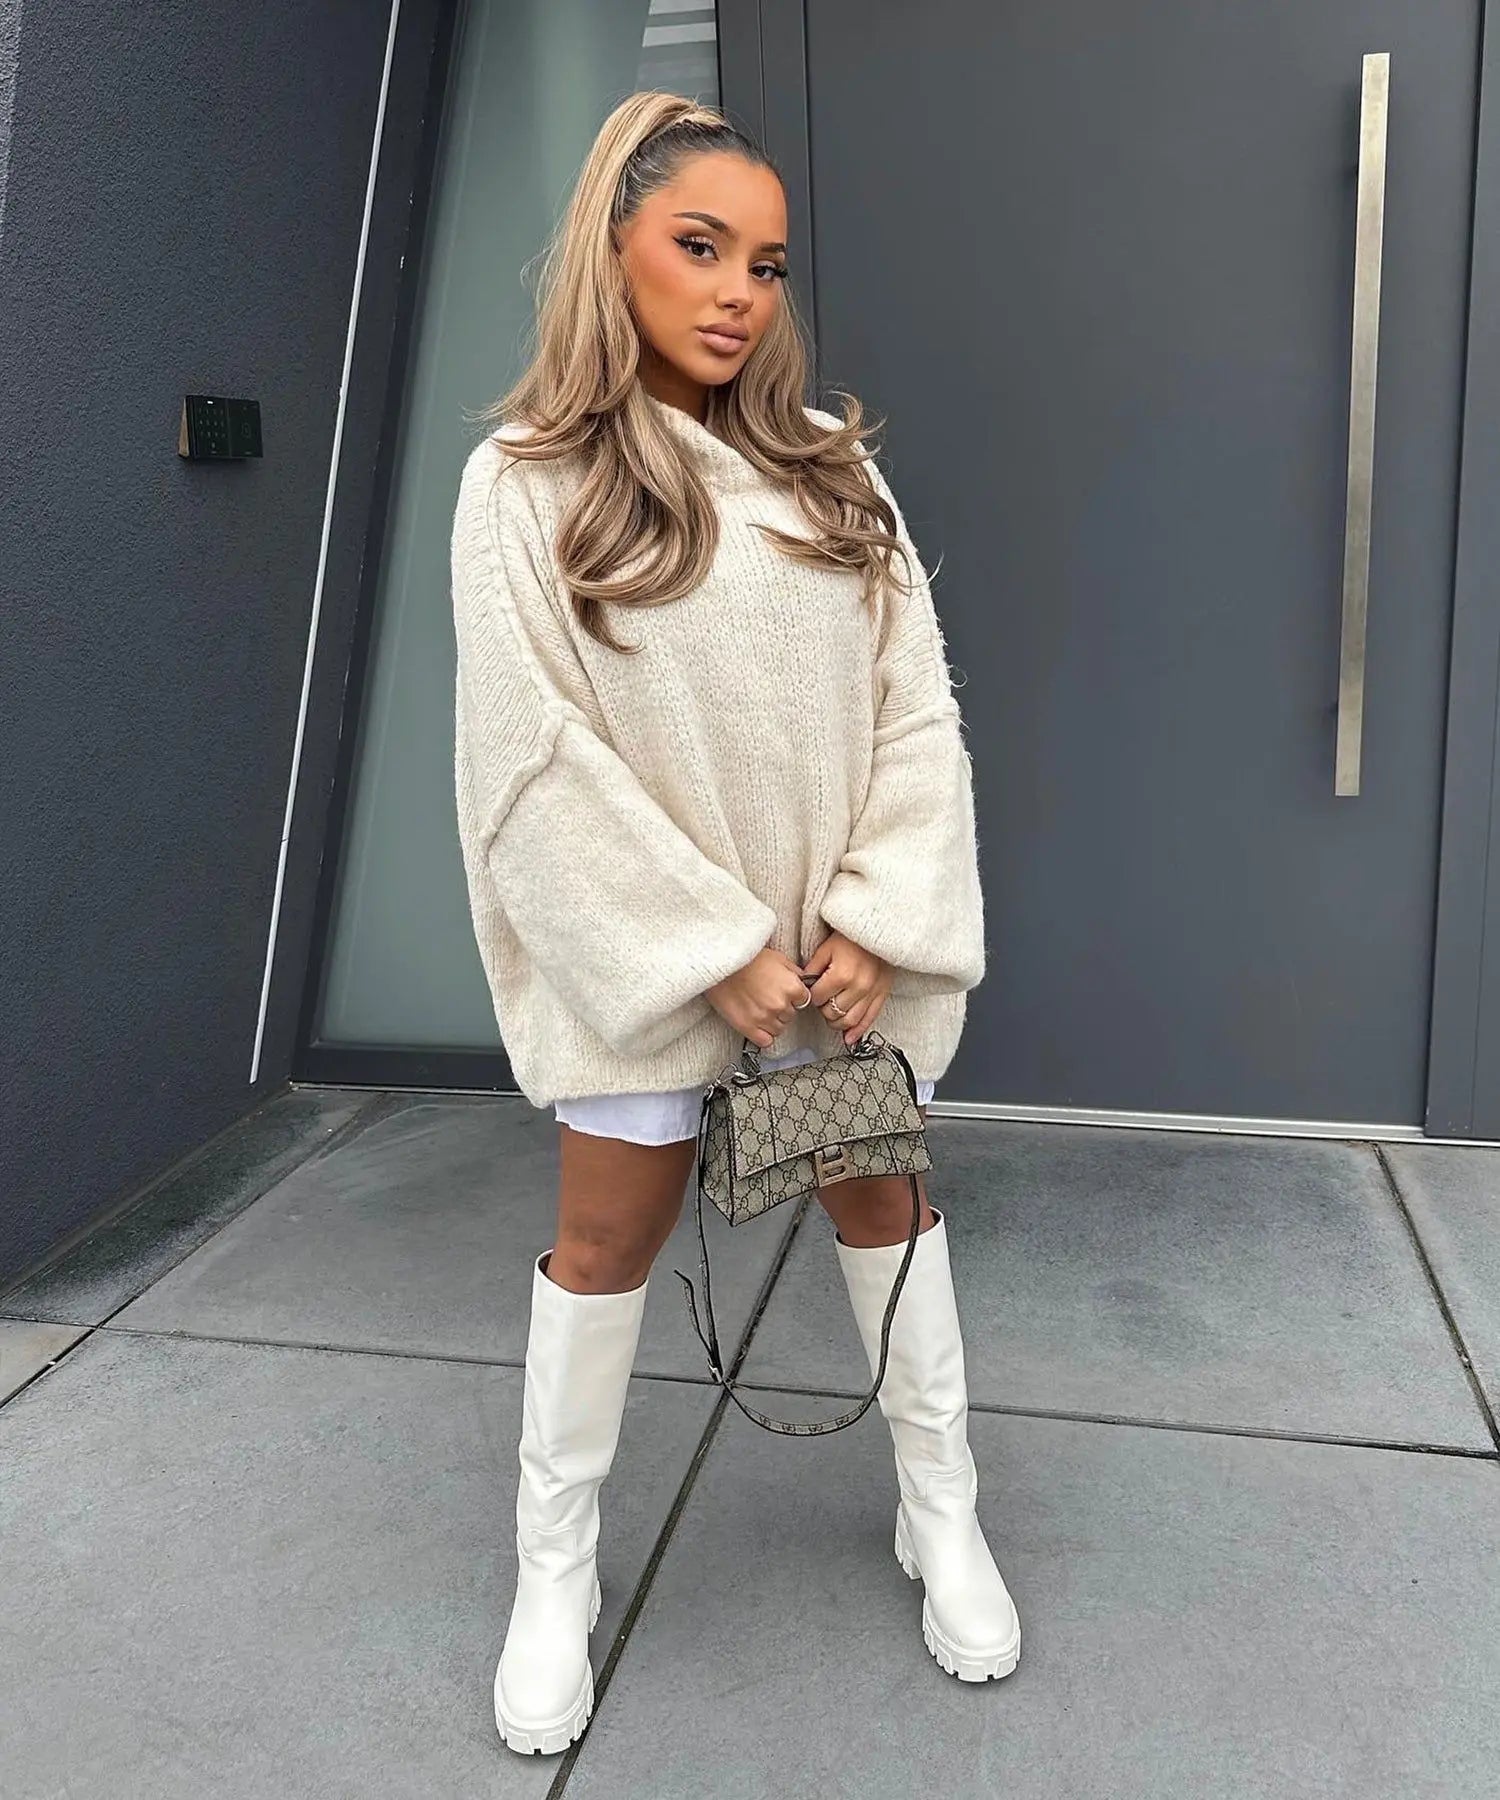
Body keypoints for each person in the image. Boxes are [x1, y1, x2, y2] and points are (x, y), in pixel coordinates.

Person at [450, 90, 1019, 1759]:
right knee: (605, 1244)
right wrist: (714, 949)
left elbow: (916, 707)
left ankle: (942, 1507)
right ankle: (554, 1566)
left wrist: (878, 917)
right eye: (699, 246)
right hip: (647, 957)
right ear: (610, 246)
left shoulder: (830, 468)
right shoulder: (525, 481)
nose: (737, 293)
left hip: (833, 970)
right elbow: (528, 751)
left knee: (884, 1207)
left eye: (764, 264)